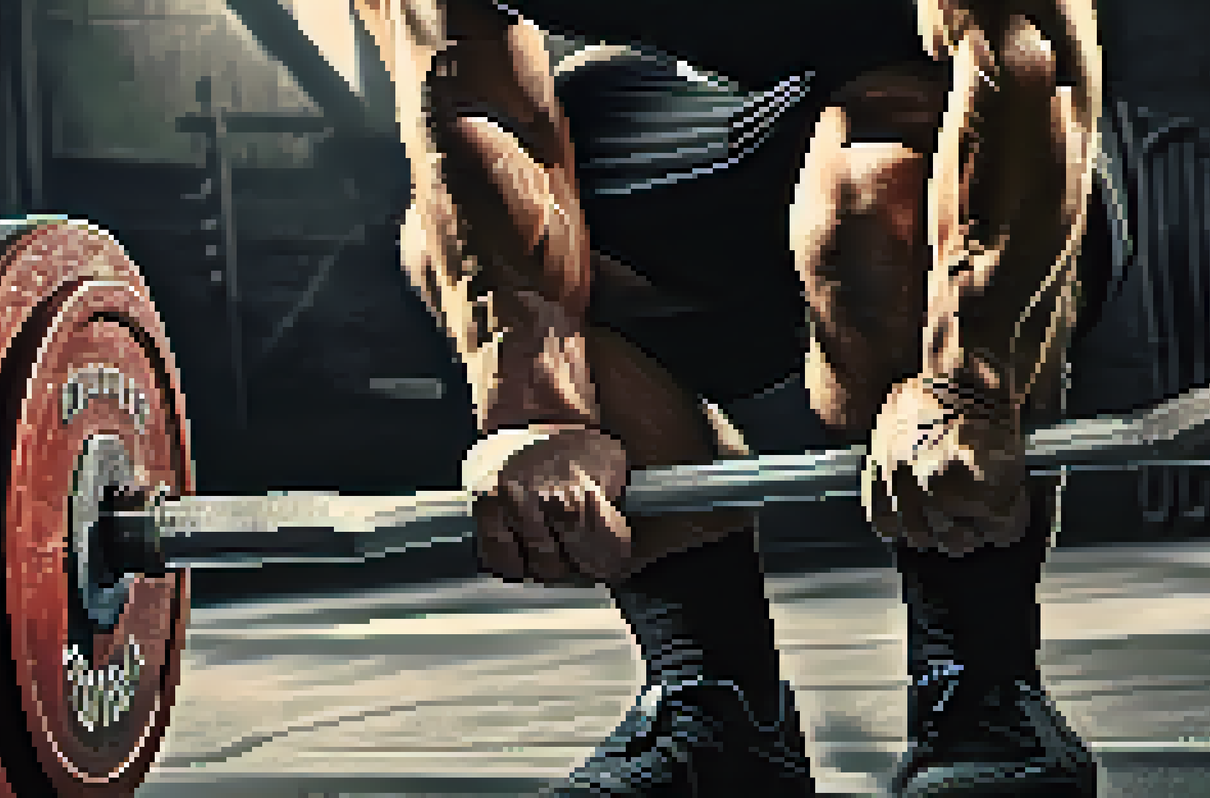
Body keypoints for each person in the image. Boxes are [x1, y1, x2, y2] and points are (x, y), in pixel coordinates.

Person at [353, 1, 1103, 795]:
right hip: (710, 134)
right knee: (452, 240)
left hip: (961, 146)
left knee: (876, 179)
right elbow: (463, 91)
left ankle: (982, 691)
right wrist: (537, 407)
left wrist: (967, 377)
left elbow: (1026, 51)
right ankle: (715, 703)